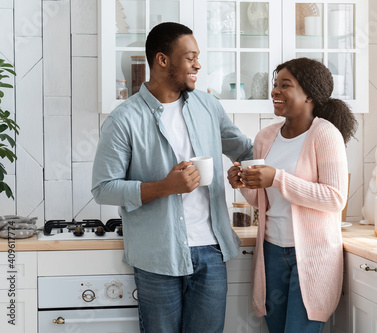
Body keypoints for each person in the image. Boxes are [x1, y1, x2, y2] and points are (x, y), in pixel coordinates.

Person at [92, 22, 253, 333]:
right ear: (162, 60)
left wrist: (245, 172)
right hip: (157, 254)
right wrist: (165, 187)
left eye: (198, 57)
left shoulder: (208, 106)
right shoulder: (124, 119)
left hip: (212, 249)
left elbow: (243, 149)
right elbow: (104, 189)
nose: (198, 65)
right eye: (190, 57)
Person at [227, 57, 357, 332]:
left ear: (309, 94)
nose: (275, 91)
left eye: (285, 85)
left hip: (312, 255)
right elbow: (262, 201)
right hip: (272, 252)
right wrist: (244, 184)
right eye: (275, 85)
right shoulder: (265, 137)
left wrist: (277, 178)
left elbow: (335, 198)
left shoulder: (325, 134)